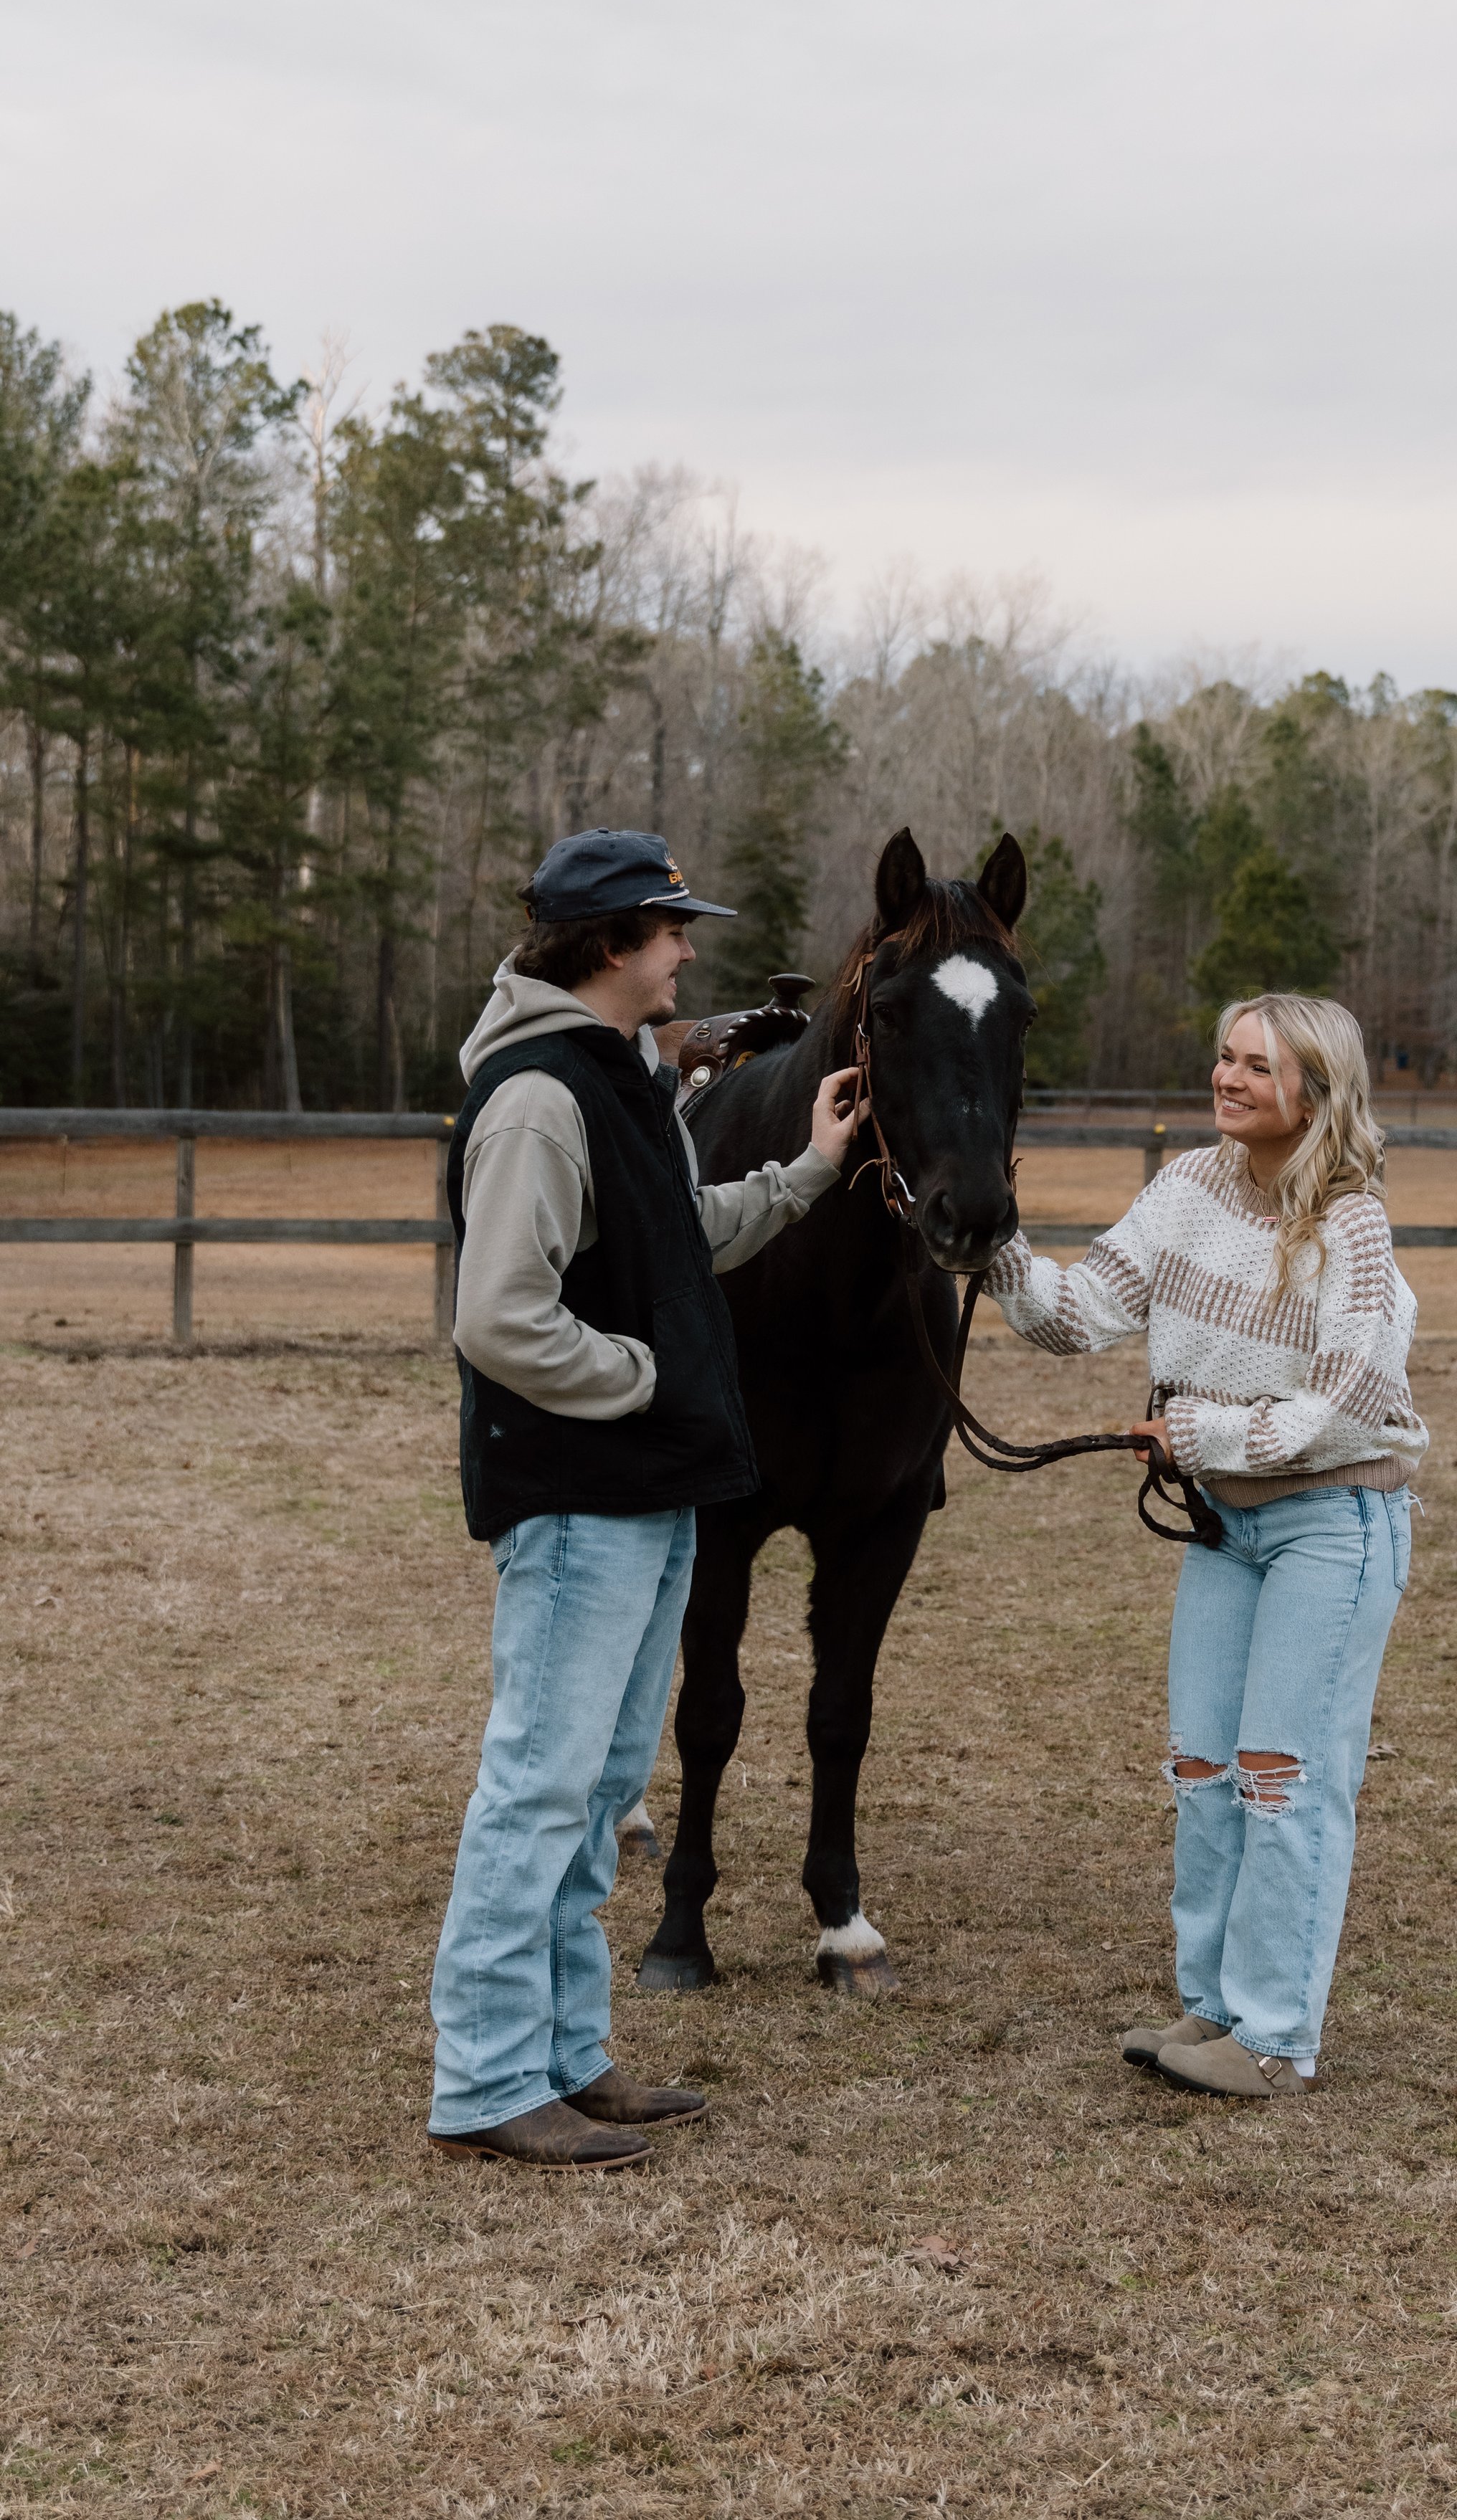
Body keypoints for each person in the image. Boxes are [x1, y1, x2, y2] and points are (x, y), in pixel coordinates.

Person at [427, 827, 866, 2169]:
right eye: (673, 929)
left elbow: (682, 1239)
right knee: (541, 1785)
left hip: (647, 1489)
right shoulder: (540, 1099)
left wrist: (806, 1171)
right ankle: (489, 2079)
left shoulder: (623, 1084)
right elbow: (499, 1314)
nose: (690, 949)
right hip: (580, 1495)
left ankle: (566, 2058)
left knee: (602, 1780)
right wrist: (639, 1373)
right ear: (614, 942)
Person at [983, 994, 1427, 2100]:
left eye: (1254, 1065)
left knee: (1285, 1775)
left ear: (1313, 1095)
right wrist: (990, 1238)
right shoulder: (1187, 1187)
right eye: (1223, 1056)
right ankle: (1213, 2009)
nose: (1225, 1077)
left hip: (1332, 1520)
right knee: (1203, 1768)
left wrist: (1194, 1429)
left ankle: (1276, 2039)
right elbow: (1081, 1311)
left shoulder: (1354, 1228)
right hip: (1225, 1521)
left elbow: (1340, 1401)